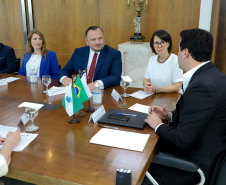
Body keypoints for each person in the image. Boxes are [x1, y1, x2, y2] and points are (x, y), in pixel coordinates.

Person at [144, 28, 226, 185]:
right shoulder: (212, 75)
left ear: (186, 53)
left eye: (178, 49)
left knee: (137, 159)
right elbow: (199, 116)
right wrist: (169, 116)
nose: (177, 54)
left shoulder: (202, 86)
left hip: (191, 166)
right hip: (205, 148)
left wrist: (158, 125)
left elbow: (181, 139)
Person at [58, 26, 122, 92]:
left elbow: (116, 77)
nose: (97, 42)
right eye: (93, 39)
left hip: (102, 94)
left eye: (100, 38)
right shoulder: (79, 52)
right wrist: (64, 78)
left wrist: (97, 84)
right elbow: (66, 70)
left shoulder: (114, 54)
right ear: (87, 41)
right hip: (81, 94)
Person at [143, 30, 183, 94]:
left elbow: (177, 86)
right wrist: (147, 86)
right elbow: (146, 79)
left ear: (168, 44)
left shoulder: (175, 60)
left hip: (172, 97)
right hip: (154, 96)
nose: (159, 46)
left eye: (163, 42)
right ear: (153, 45)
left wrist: (156, 89)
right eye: (156, 43)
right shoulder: (152, 59)